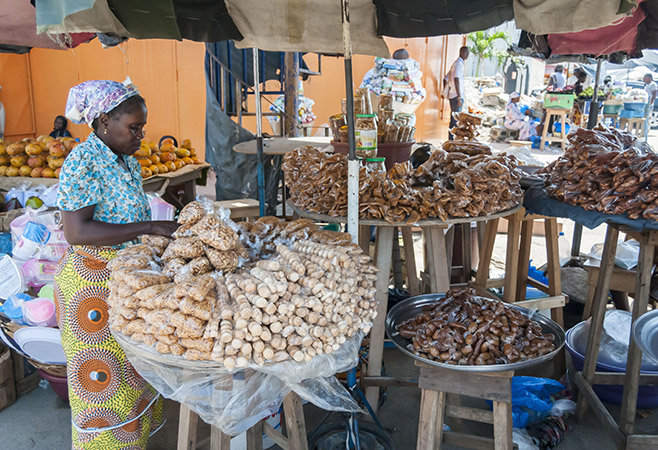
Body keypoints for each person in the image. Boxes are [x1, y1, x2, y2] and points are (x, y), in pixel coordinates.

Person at [56, 79, 179, 450]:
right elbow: (77, 232)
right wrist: (151, 226)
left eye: (142, 127)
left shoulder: (126, 160)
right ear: (105, 120)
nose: (141, 135)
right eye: (134, 128)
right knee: (104, 387)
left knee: (132, 378)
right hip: (91, 288)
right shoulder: (84, 160)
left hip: (123, 281)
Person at [444, 46, 469, 140]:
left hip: (453, 95)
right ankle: (452, 140)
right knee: (456, 120)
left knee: (454, 119)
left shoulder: (456, 63)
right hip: (456, 96)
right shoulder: (458, 64)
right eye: (467, 53)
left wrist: (447, 90)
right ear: (462, 52)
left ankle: (451, 139)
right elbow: (456, 79)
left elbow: (445, 78)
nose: (467, 55)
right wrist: (459, 97)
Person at [644, 73, 657, 141]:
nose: (644, 80)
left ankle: (645, 133)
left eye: (645, 78)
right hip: (646, 103)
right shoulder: (647, 85)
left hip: (649, 104)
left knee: (647, 119)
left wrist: (650, 103)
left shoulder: (653, 84)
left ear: (649, 78)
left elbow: (654, 95)